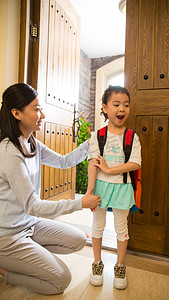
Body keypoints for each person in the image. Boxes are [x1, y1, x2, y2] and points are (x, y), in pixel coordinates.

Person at [0, 83, 101, 295]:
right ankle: (5, 271)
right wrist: (80, 204)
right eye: (36, 109)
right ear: (16, 113)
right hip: (8, 236)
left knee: (78, 239)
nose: (42, 114)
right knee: (61, 281)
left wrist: (92, 142)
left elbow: (64, 161)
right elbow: (32, 205)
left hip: (29, 225)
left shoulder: (31, 143)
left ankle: (30, 259)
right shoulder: (10, 153)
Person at [86, 86, 141, 289]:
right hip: (100, 188)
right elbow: (93, 163)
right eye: (116, 104)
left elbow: (135, 163)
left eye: (126, 105)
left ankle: (120, 266)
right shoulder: (98, 135)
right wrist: (90, 191)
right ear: (105, 107)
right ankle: (97, 263)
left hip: (123, 187)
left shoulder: (132, 136)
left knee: (121, 228)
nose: (122, 109)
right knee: (97, 225)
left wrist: (109, 170)